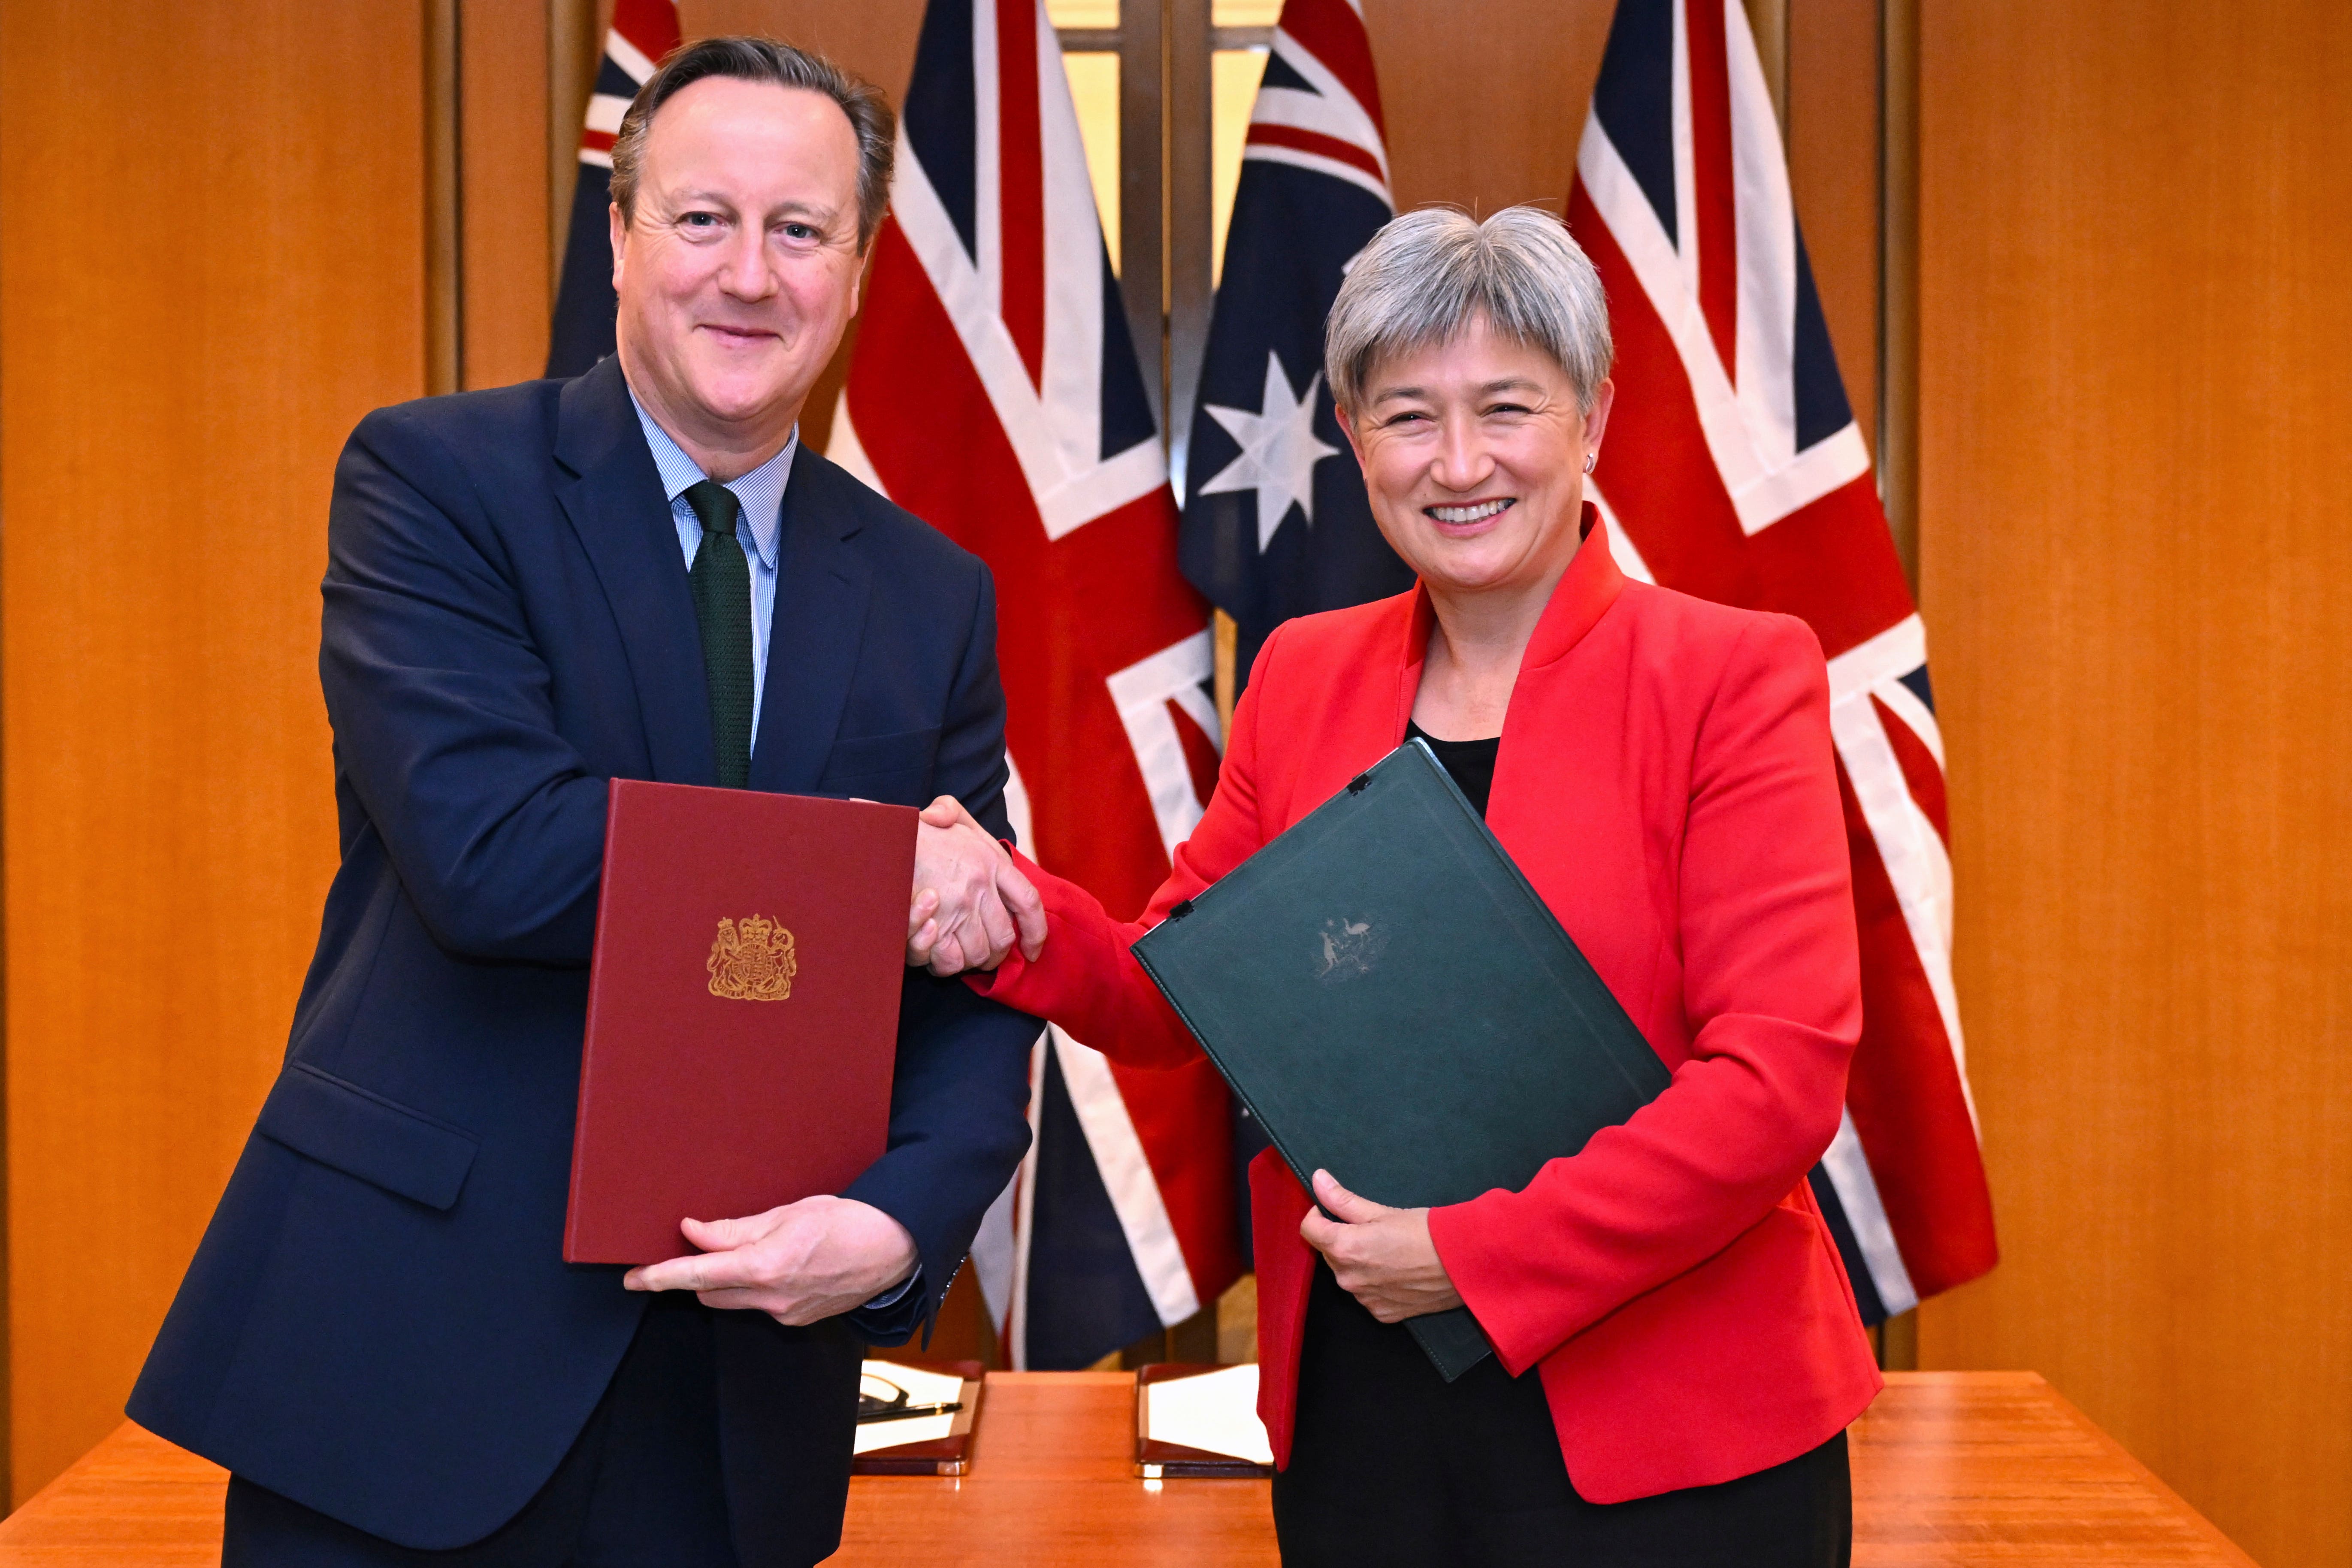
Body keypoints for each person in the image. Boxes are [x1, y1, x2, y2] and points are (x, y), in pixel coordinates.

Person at [128, 37, 1046, 1568]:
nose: (748, 274)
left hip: (739, 1410)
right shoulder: (436, 483)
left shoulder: (927, 594)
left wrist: (894, 1230)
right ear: (618, 240)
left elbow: (986, 953)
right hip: (407, 1372)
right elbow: (494, 858)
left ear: (859, 270)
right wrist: (876, 877)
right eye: (701, 219)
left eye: (800, 231)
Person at [932, 206, 1882, 1566]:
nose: (1457, 464)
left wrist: (1475, 1256)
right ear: (1350, 436)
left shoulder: (1728, 675)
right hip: (1367, 1419)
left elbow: (1775, 1083)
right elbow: (1186, 984)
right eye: (1404, 416)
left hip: (1675, 1434)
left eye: (1507, 408)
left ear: (1593, 417)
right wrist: (1006, 909)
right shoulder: (1303, 677)